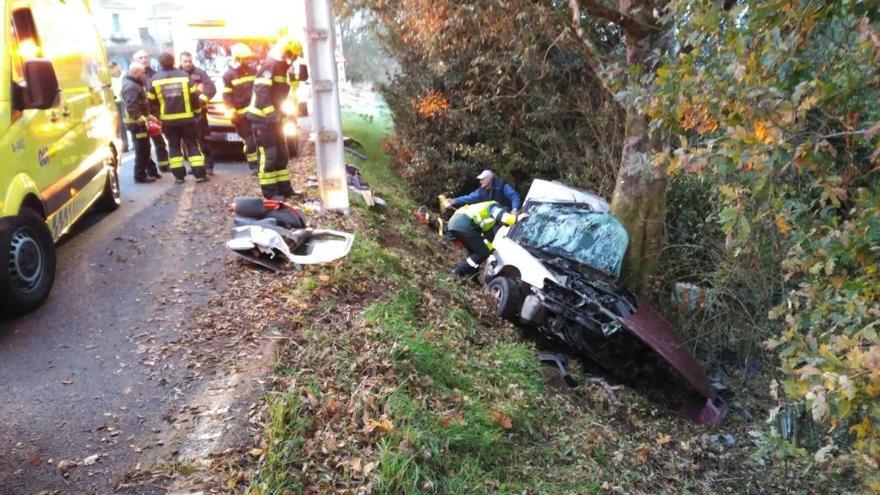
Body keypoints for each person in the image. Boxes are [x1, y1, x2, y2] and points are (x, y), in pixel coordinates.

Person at [247, 37, 302, 199]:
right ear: (286, 52)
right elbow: (262, 92)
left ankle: (284, 189)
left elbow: (285, 91)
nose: (293, 59)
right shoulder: (270, 66)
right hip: (262, 120)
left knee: (282, 154)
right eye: (293, 55)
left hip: (275, 119)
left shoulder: (282, 68)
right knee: (269, 155)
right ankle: (270, 193)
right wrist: (271, 113)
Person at [147, 52, 207, 184]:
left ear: (160, 63)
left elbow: (151, 102)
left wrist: (158, 116)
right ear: (174, 61)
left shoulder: (155, 79)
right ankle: (199, 175)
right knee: (192, 145)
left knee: (173, 147)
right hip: (187, 120)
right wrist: (197, 113)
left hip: (168, 121)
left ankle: (179, 177)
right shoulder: (184, 77)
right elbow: (194, 98)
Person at [447, 200, 518, 278]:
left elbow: (482, 237)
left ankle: (472, 275)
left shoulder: (489, 221)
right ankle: (457, 271)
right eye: (503, 223)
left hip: (456, 222)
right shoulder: (494, 207)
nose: (501, 224)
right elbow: (503, 216)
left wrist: (492, 249)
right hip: (464, 222)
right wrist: (516, 219)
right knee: (482, 253)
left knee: (475, 251)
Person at [223, 43, 259, 175]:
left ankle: (260, 165)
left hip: (255, 113)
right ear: (238, 58)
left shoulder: (252, 72)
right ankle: (254, 166)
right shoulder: (229, 75)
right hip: (241, 117)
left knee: (258, 140)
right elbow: (227, 97)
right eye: (246, 58)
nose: (248, 61)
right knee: (250, 142)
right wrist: (233, 114)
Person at [180, 51, 217, 175]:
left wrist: (200, 101)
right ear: (180, 62)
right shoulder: (177, 74)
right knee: (190, 142)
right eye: (185, 61)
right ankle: (196, 167)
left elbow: (211, 89)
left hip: (200, 114)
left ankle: (209, 166)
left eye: (190, 61)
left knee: (204, 140)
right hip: (185, 114)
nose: (188, 64)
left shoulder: (200, 73)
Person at [133, 49, 170, 172]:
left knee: (159, 141)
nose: (144, 60)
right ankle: (150, 169)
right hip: (140, 117)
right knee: (144, 146)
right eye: (141, 58)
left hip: (153, 113)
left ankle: (164, 164)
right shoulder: (133, 76)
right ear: (135, 61)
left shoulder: (155, 74)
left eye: (145, 57)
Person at [121, 62, 158, 183]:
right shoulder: (131, 86)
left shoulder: (135, 83)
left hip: (139, 123)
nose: (144, 74)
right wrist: (141, 119)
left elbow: (140, 104)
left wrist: (148, 116)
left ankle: (152, 171)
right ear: (135, 72)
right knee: (142, 149)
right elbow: (132, 107)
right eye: (142, 72)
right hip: (136, 124)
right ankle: (140, 175)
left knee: (145, 147)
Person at [443, 169, 522, 213]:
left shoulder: (502, 187)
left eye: (482, 179)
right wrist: (454, 201)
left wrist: (514, 209)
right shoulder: (480, 192)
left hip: (509, 214)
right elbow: (468, 198)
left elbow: (514, 196)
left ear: (489, 179)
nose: (480, 182)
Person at [109, 62, 129, 152]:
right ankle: (124, 146)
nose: (111, 69)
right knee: (119, 125)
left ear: (117, 67)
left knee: (127, 123)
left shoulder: (125, 75)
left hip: (124, 102)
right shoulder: (109, 79)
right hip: (115, 103)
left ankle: (132, 143)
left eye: (112, 67)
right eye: (109, 68)